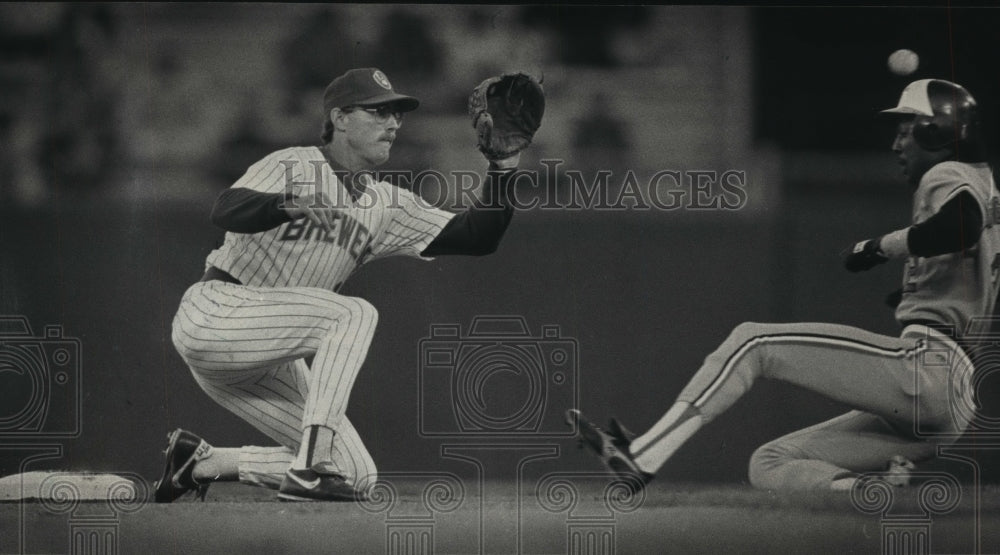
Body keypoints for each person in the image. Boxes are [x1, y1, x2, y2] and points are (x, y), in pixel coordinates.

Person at [573, 79, 998, 492]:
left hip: (929, 369)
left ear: (936, 128)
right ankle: (873, 495)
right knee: (772, 462)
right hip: (952, 402)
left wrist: (879, 246)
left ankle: (643, 455)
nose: (896, 144)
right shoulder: (985, 185)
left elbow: (961, 226)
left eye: (906, 130)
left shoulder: (948, 172)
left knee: (752, 342)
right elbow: (969, 248)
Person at [155, 68, 525, 502]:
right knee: (353, 312)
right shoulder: (292, 163)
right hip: (217, 312)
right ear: (340, 118)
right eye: (379, 112)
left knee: (357, 475)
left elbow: (477, 237)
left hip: (274, 353)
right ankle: (310, 471)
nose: (393, 123)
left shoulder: (387, 203)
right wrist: (285, 203)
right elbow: (226, 209)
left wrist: (504, 165)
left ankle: (203, 463)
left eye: (397, 115)